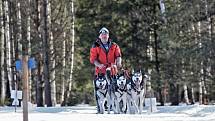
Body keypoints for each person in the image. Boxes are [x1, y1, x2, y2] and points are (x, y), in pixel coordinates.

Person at [90, 27, 122, 113]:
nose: (104, 36)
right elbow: (93, 59)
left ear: (108, 36)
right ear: (99, 36)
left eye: (106, 35)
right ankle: (100, 107)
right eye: (102, 35)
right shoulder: (95, 46)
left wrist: (118, 63)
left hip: (112, 70)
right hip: (100, 72)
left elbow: (118, 56)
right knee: (99, 90)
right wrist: (99, 65)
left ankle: (116, 106)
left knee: (115, 88)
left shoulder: (114, 45)